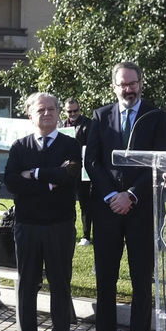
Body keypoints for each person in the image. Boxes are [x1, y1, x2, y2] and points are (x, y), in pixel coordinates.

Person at [86, 62, 166, 331]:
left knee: (140, 282)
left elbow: (158, 161)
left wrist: (131, 195)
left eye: (133, 83)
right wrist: (112, 196)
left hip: (141, 210)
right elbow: (92, 162)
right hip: (108, 210)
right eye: (122, 84)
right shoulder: (100, 116)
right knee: (105, 281)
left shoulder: (156, 116)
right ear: (114, 86)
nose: (128, 89)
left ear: (140, 83)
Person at [4, 92, 84, 331]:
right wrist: (51, 180)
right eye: (41, 110)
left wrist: (35, 174)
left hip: (59, 226)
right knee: (27, 285)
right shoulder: (19, 147)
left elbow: (70, 175)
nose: (47, 113)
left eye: (52, 108)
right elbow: (12, 182)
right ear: (30, 115)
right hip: (26, 226)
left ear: (59, 113)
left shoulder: (71, 144)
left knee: (59, 285)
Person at [65, 97, 94, 246]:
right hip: (68, 171)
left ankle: (86, 235)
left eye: (76, 110)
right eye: (70, 111)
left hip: (83, 170)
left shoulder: (88, 124)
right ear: (65, 111)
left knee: (85, 203)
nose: (73, 114)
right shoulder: (61, 126)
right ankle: (69, 231)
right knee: (67, 201)